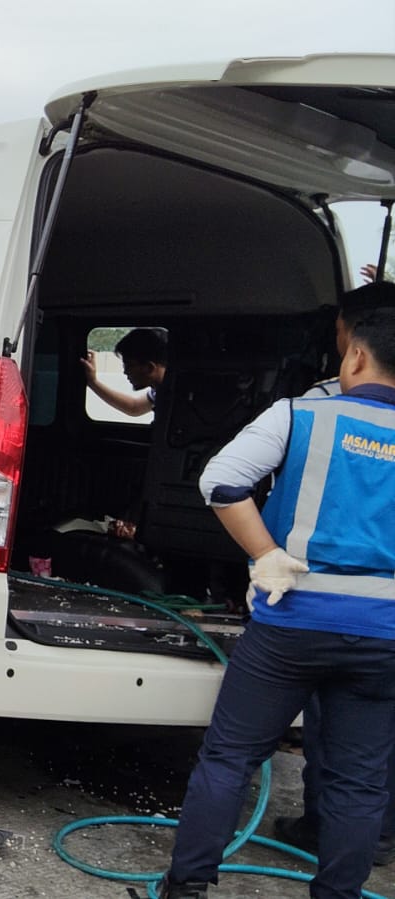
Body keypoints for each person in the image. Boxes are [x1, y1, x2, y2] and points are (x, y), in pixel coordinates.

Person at [156, 307, 395, 898]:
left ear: (357, 356)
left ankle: (185, 889)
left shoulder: (301, 415)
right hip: (386, 638)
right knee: (360, 785)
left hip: (294, 622)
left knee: (230, 759)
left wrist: (266, 555)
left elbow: (221, 481)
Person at [275, 278, 395, 862]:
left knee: (332, 728)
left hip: (326, 601)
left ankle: (327, 827)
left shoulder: (325, 403)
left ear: (355, 341)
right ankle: (372, 835)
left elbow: (226, 482)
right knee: (375, 743)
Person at [82, 326, 168, 418]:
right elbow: (134, 407)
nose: (125, 372)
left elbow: (134, 408)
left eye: (130, 365)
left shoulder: (175, 395)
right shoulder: (160, 390)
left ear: (149, 367)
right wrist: (92, 382)